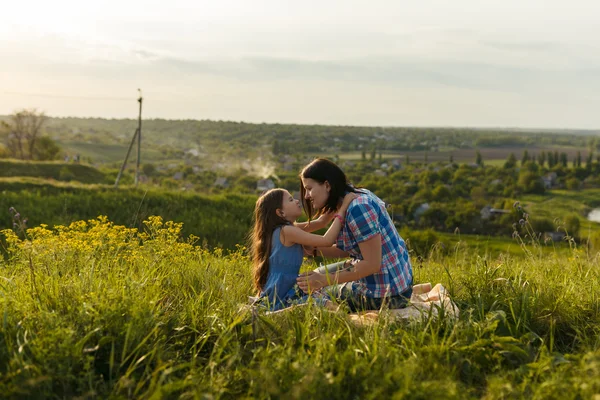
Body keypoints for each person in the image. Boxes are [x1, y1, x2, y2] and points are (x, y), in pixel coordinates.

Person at [296, 158, 413, 312]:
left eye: (309, 188)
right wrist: (314, 251)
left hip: (385, 294)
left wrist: (323, 281)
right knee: (311, 277)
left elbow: (372, 264)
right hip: (390, 281)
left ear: (327, 185)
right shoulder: (351, 196)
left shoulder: (359, 208)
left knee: (310, 293)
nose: (306, 196)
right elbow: (354, 248)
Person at [249, 188, 356, 311]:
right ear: (280, 213)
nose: (296, 201)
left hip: (287, 287)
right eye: (290, 200)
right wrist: (342, 210)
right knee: (326, 305)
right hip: (283, 293)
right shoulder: (287, 231)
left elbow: (321, 222)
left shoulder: (284, 229)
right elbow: (327, 240)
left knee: (325, 301)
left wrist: (333, 203)